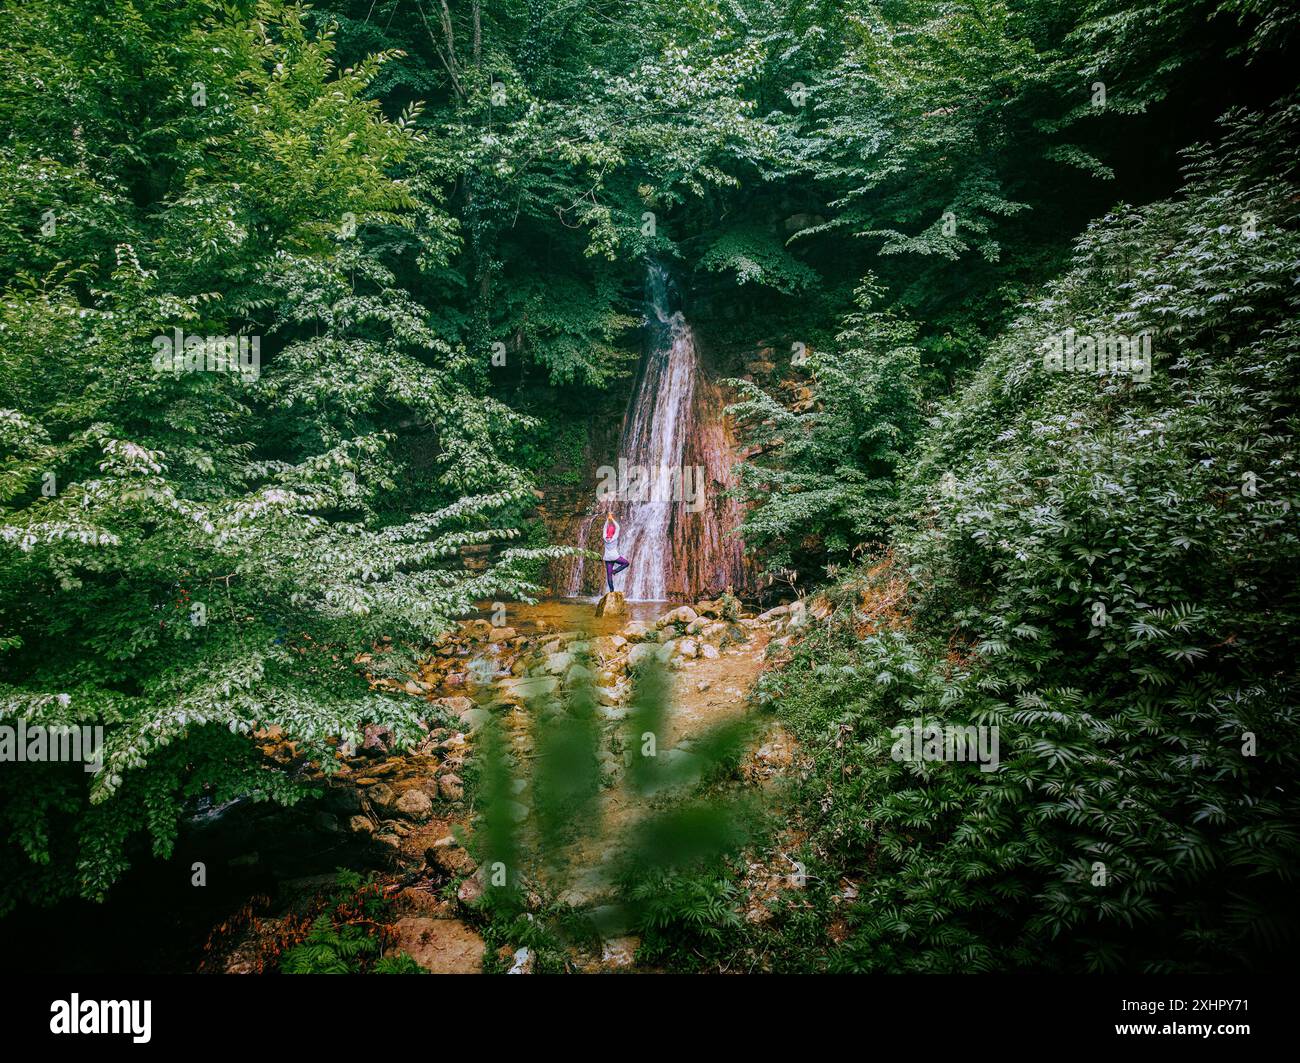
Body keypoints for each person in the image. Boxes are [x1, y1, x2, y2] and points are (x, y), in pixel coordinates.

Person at [602, 512, 629, 592]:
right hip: (615, 556)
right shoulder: (614, 537)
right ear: (613, 532)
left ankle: (611, 591)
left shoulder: (604, 537)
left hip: (607, 558)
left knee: (609, 576)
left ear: (607, 532)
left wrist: (608, 519)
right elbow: (617, 527)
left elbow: (604, 527)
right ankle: (615, 571)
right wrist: (612, 519)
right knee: (626, 563)